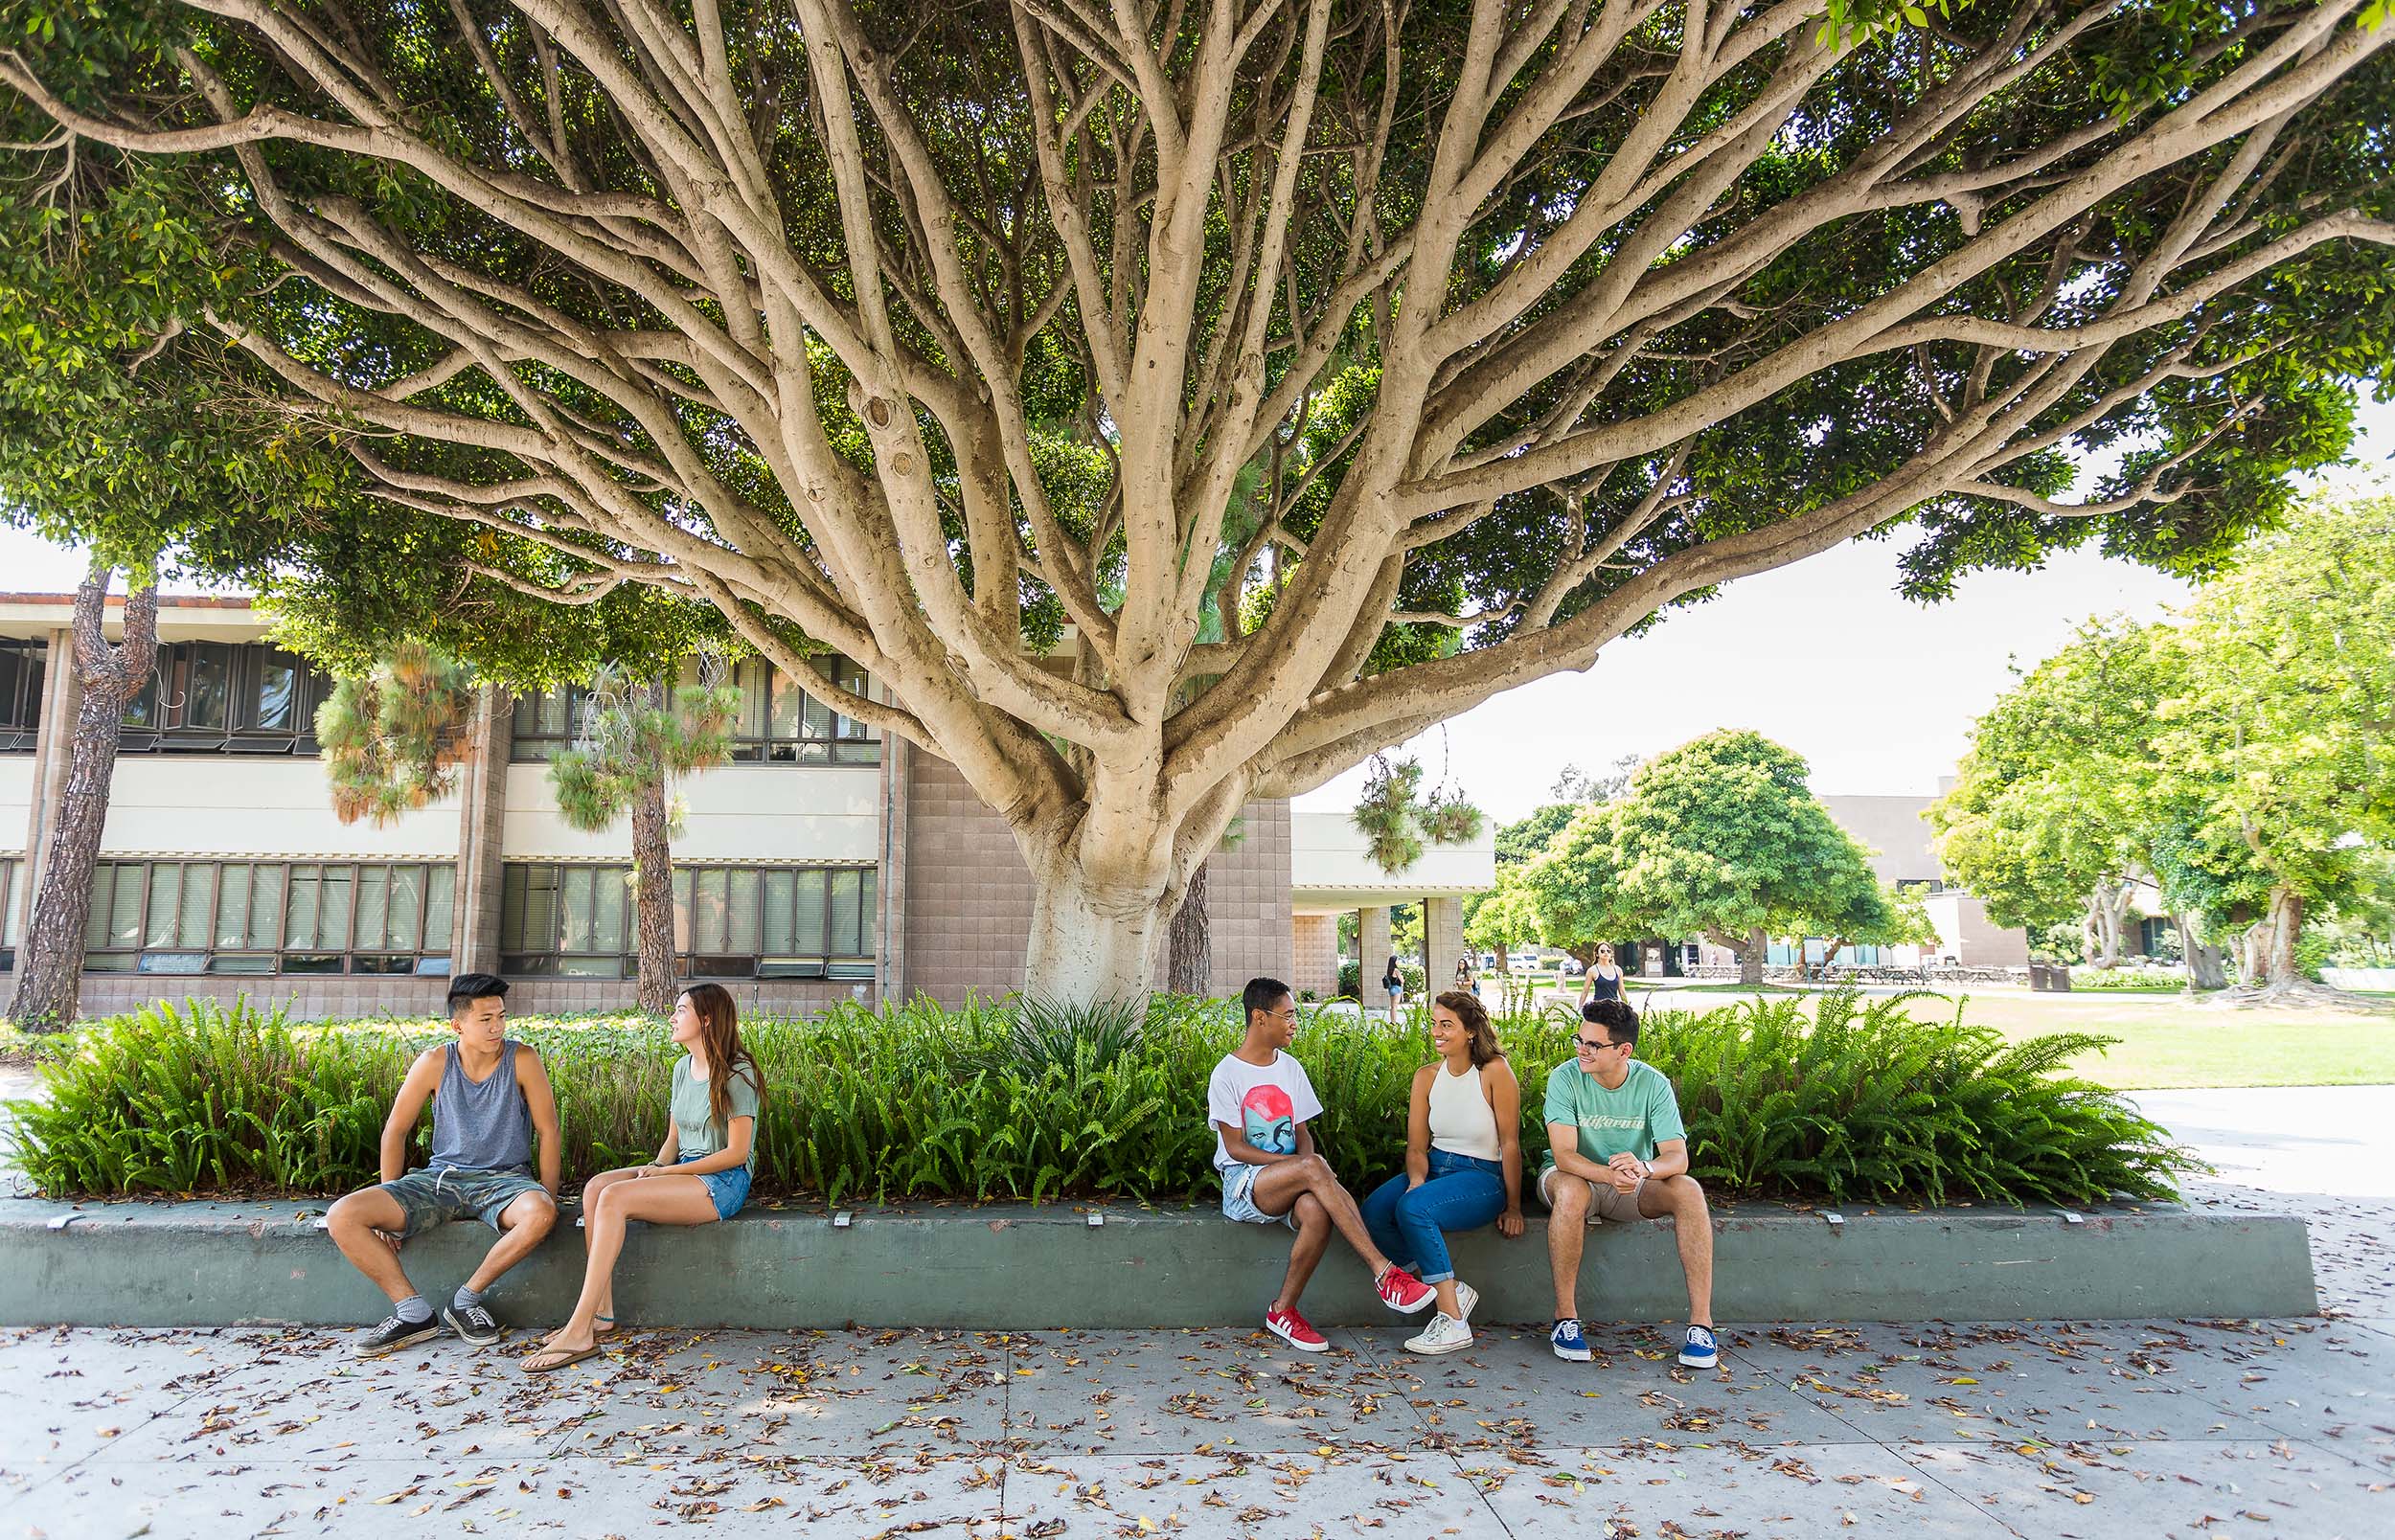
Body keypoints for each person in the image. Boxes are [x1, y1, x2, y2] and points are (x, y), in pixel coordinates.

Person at [525, 984, 764, 1372]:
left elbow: (736, 1153)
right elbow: (674, 1138)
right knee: (597, 1188)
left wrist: (662, 1175)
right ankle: (602, 1313)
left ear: (706, 1020)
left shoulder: (737, 1072)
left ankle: (578, 1327)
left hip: (723, 1182)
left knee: (617, 1198)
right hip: (683, 1170)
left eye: (681, 1010)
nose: (672, 1017)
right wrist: (653, 1170)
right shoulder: (681, 1069)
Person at [324, 973, 560, 1357]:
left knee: (541, 1213)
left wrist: (547, 1197)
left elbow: (548, 1132)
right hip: (441, 1179)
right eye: (486, 1019)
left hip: (505, 1182)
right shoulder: (434, 1062)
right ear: (458, 1024)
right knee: (343, 1215)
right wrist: (389, 1194)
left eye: (501, 1016)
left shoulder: (523, 1059)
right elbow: (395, 1131)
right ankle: (412, 1311)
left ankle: (465, 1301)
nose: (497, 1026)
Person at [1209, 976, 1436, 1351]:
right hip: (1244, 1184)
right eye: (1288, 1015)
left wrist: (1303, 1167)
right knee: (1314, 1166)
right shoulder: (1227, 1073)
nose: (1295, 1022)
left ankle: (1282, 1310)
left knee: (1316, 1209)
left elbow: (1302, 1133)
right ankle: (1385, 1272)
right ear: (1259, 1018)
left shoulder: (1290, 1068)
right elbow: (1234, 1148)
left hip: (1290, 1179)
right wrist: (1303, 1167)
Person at [1538, 998, 1717, 1370]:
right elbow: (1564, 1155)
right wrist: (1609, 1174)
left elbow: (1677, 1157)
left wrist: (1643, 1168)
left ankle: (1702, 1326)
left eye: (1593, 1045)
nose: (1581, 1050)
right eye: (1579, 1040)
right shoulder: (1565, 1078)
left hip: (1629, 1187)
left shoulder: (1653, 1084)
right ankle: (1565, 1319)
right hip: (1571, 1180)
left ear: (1624, 1050)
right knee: (1571, 1188)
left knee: (1688, 1190)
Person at [1361, 991, 1524, 1354]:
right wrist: (1417, 1180)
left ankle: (1451, 1320)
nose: (1436, 1031)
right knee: (1374, 1211)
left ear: (1470, 1031)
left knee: (1413, 1209)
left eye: (1446, 1024)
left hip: (1481, 1176)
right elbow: (1417, 1147)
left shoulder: (1494, 1071)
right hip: (1435, 1166)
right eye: (1434, 1023)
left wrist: (1513, 1207)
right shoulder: (1426, 1077)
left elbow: (1510, 1145)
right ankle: (1450, 1288)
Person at [1575, 942, 1625, 1011]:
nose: (1606, 953)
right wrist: (1579, 1009)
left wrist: (1627, 1008)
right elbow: (1585, 991)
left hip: (1614, 1008)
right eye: (1602, 951)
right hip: (1598, 1008)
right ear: (1597, 954)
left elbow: (1622, 991)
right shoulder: (1592, 970)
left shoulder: (1618, 970)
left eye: (1608, 951)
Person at [1382, 954, 1406, 1022]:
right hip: (1396, 989)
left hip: (1391, 989)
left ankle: (1392, 1021)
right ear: (1394, 961)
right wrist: (1402, 978)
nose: (1398, 962)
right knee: (1395, 1007)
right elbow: (1402, 981)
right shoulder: (1396, 970)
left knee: (1392, 1006)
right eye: (1397, 960)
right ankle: (1394, 1021)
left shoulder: (1389, 970)